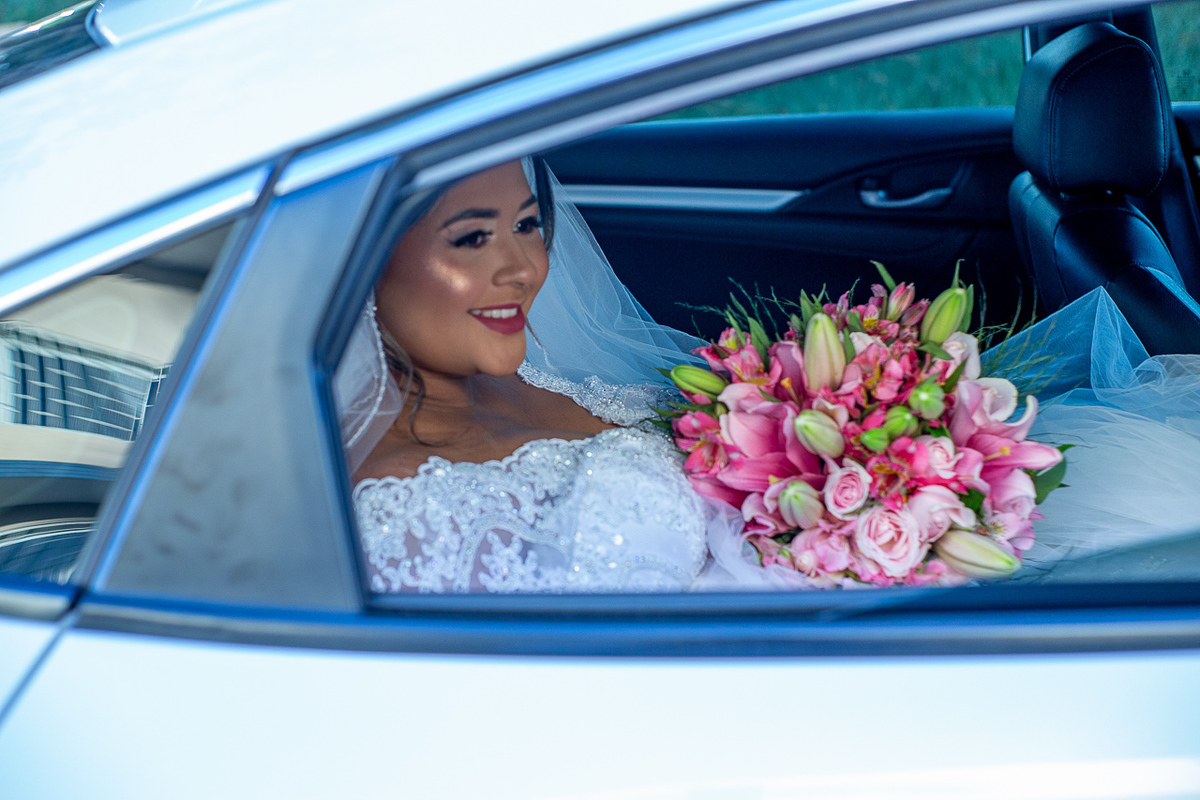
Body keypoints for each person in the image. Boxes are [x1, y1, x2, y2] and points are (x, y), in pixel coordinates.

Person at [337, 157, 1200, 594]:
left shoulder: (544, 378)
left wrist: (847, 452)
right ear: (354, 264)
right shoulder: (386, 515)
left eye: (528, 225)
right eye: (471, 238)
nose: (525, 268)